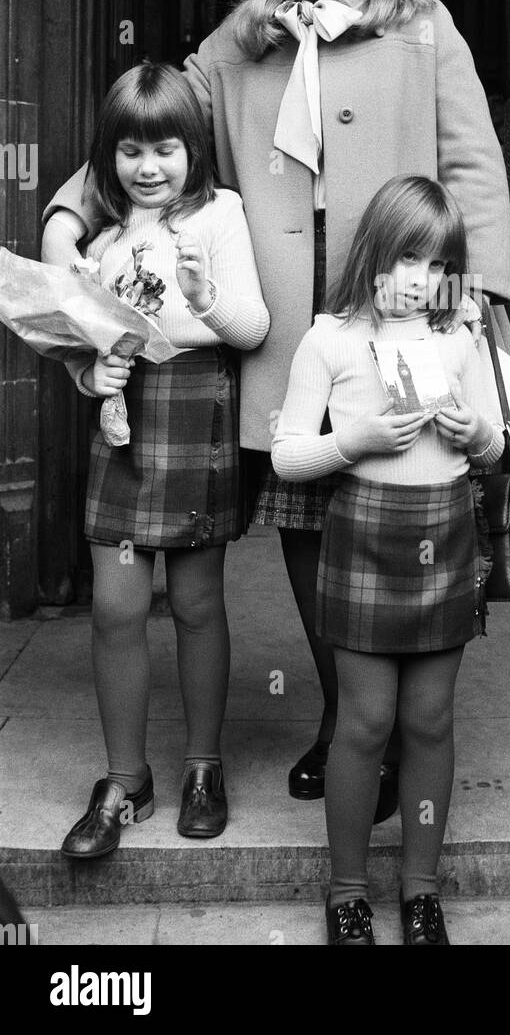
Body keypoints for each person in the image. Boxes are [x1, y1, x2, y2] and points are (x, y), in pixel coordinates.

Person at [41, 0, 510, 822]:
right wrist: (64, 215)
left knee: (407, 513)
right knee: (311, 528)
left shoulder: (423, 24)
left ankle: (387, 736)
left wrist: (477, 295)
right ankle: (350, 718)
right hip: (291, 344)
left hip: (405, 318)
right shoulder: (234, 43)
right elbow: (152, 138)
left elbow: (472, 167)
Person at [272, 176, 502, 945]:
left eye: (438, 265)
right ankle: (346, 893)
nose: (421, 280)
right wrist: (355, 441)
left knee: (429, 721)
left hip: (445, 529)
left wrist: (476, 433)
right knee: (365, 723)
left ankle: (420, 891)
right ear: (373, 251)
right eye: (407, 258)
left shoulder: (459, 337)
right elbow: (287, 456)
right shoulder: (328, 339)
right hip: (366, 534)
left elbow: (496, 447)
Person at [47, 63, 269, 859]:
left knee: (198, 604)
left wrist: (205, 295)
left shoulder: (221, 214)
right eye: (131, 151)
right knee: (115, 608)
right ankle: (125, 780)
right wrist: (85, 373)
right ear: (107, 158)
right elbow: (81, 345)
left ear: (192, 149)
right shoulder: (98, 239)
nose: (148, 167)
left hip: (195, 406)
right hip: (122, 426)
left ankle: (204, 768)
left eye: (166, 149)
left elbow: (251, 329)